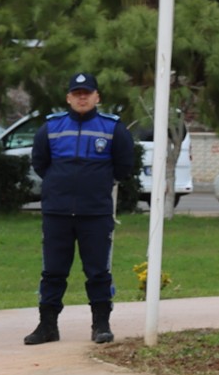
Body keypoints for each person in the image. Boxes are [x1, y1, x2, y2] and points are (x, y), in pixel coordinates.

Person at [24, 72, 139, 347]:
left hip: (96, 213)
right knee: (53, 272)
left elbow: (124, 166)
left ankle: (101, 324)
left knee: (98, 272)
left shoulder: (112, 128)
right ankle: (47, 325)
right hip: (57, 212)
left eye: (87, 92)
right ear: (68, 98)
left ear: (97, 96)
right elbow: (40, 163)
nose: (82, 97)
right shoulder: (51, 127)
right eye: (77, 93)